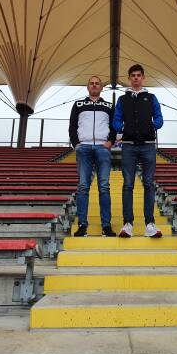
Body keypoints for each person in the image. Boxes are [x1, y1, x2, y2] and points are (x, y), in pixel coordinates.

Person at [112, 64, 164, 238]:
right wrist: (122, 128)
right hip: (128, 146)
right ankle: (128, 224)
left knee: (148, 184)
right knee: (128, 184)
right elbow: (116, 120)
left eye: (138, 75)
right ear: (129, 78)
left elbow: (159, 117)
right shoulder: (122, 99)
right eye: (133, 75)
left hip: (148, 145)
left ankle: (150, 224)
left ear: (143, 77)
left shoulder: (151, 97)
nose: (135, 78)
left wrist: (152, 125)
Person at [68, 75, 116, 237]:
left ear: (101, 87)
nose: (94, 85)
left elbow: (114, 126)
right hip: (84, 147)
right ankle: (82, 225)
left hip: (103, 147)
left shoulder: (108, 106)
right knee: (83, 186)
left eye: (97, 83)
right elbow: (72, 126)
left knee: (104, 187)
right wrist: (76, 144)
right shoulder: (78, 104)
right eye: (91, 83)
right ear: (87, 87)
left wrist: (110, 141)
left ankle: (106, 226)